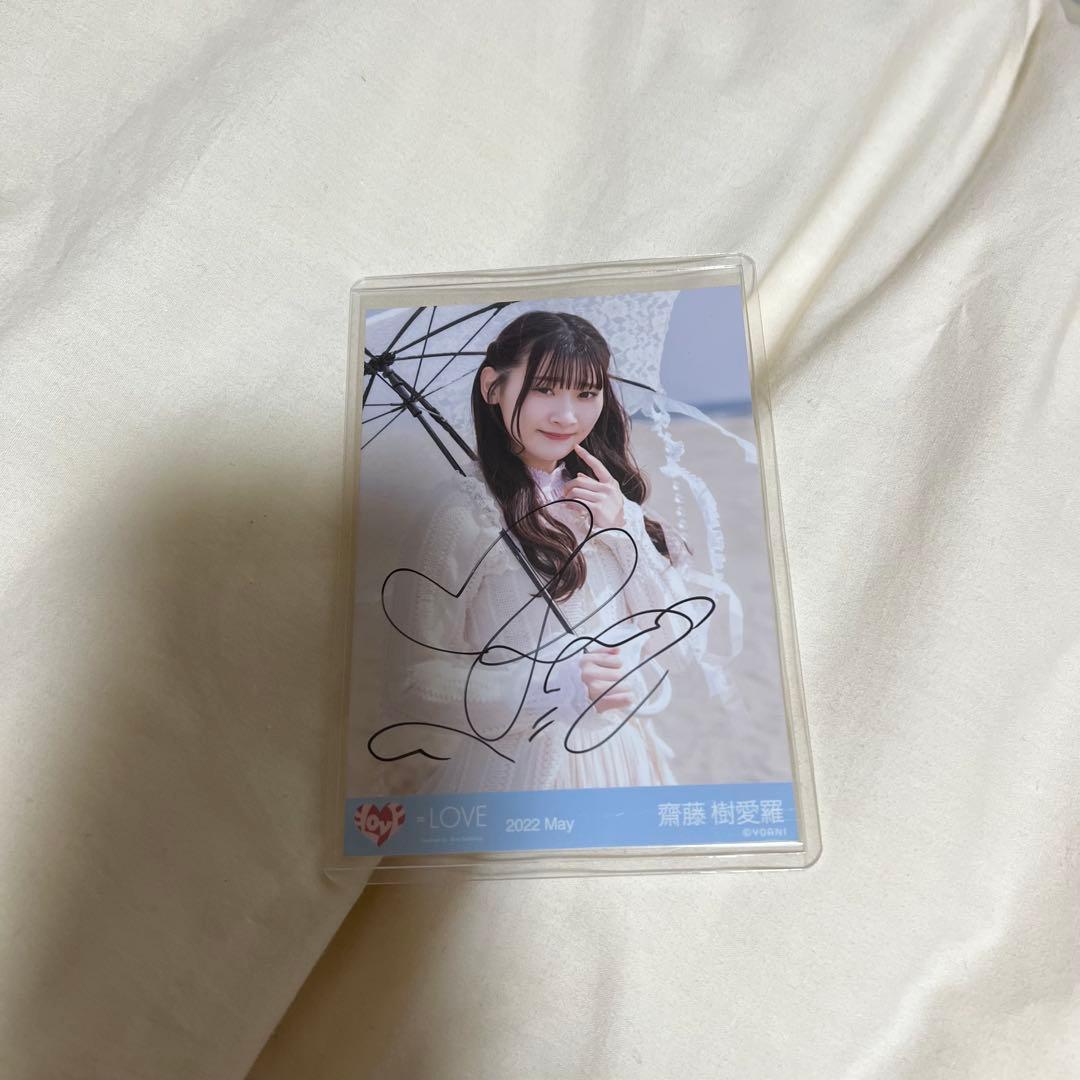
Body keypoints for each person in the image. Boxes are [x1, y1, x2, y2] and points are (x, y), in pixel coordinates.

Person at [375, 311, 715, 794]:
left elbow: (682, 649)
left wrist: (625, 530)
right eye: (544, 389)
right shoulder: (461, 514)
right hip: (521, 777)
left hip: (624, 765)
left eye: (586, 393)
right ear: (492, 387)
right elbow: (410, 684)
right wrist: (553, 685)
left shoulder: (611, 504)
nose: (567, 416)